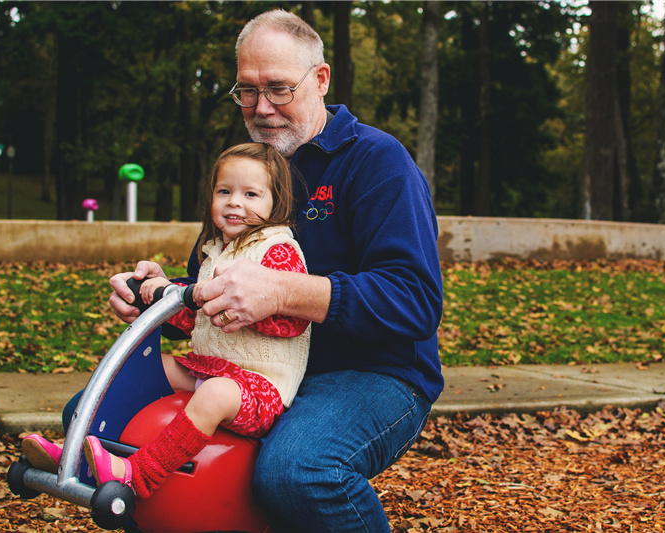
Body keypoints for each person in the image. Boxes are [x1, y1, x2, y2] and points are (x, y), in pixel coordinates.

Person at [99, 8, 442, 532]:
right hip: (247, 367)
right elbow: (210, 298)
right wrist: (156, 295)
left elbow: (414, 301)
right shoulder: (246, 172)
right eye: (246, 91)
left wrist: (283, 291)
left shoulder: (377, 161)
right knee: (96, 414)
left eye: (279, 88)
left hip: (371, 372)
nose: (262, 108)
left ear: (320, 79)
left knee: (297, 471)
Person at [25, 143, 311, 501]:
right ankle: (74, 455)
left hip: (258, 388)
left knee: (214, 395)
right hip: (207, 366)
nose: (235, 202)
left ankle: (140, 473)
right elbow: (196, 318)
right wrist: (160, 295)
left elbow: (293, 321)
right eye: (225, 191)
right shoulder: (216, 248)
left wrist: (246, 305)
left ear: (276, 201)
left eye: (251, 194)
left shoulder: (277, 249)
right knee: (137, 368)